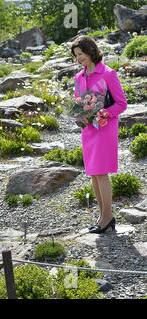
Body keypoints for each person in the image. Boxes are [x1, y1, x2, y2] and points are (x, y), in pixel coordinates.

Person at [71, 36, 127, 234]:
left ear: (91, 52)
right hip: (88, 130)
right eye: (76, 56)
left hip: (105, 129)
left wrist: (105, 113)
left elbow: (121, 103)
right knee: (93, 173)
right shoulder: (79, 77)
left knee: (101, 172)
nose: (78, 59)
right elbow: (79, 102)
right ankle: (103, 216)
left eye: (81, 54)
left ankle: (107, 217)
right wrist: (78, 115)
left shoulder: (108, 74)